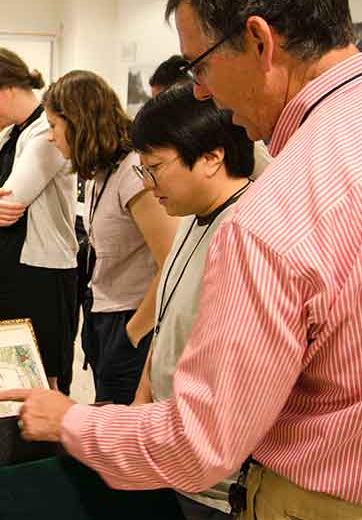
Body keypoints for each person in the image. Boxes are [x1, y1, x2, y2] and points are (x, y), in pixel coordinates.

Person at [0, 0, 362, 518]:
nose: (201, 92)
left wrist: (73, 421)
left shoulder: (279, 210)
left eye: (198, 65)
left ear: (259, 41)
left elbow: (201, 443)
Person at [129, 85, 255, 519]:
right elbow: (168, 323)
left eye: (156, 168)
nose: (149, 184)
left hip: (221, 483)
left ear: (211, 157)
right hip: (174, 455)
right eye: (142, 169)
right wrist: (142, 398)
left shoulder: (248, 233)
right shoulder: (187, 215)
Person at [42, 70, 178, 405]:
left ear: (78, 123)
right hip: (104, 314)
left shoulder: (133, 172)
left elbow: (170, 262)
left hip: (131, 320)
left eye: (54, 126)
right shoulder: (99, 172)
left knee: (119, 434)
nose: (50, 137)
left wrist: (131, 334)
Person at [0, 48, 77, 389]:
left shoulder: (46, 132)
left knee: (41, 377)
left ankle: (43, 445)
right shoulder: (7, 135)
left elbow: (11, 202)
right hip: (1, 264)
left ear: (7, 86)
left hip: (40, 273)